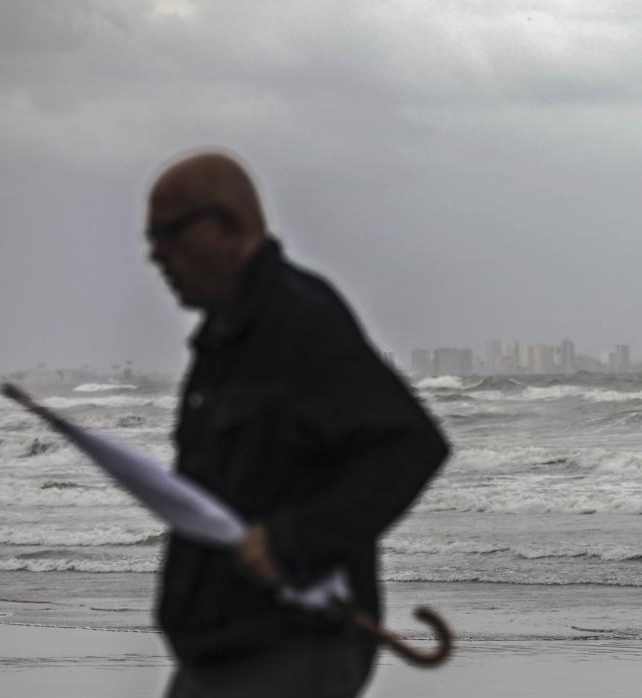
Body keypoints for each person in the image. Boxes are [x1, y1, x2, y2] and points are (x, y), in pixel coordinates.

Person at [145, 150, 450, 697]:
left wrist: (294, 544)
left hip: (290, 648)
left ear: (232, 227)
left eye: (171, 234)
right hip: (217, 649)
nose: (157, 256)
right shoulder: (222, 340)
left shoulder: (301, 319)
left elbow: (409, 444)